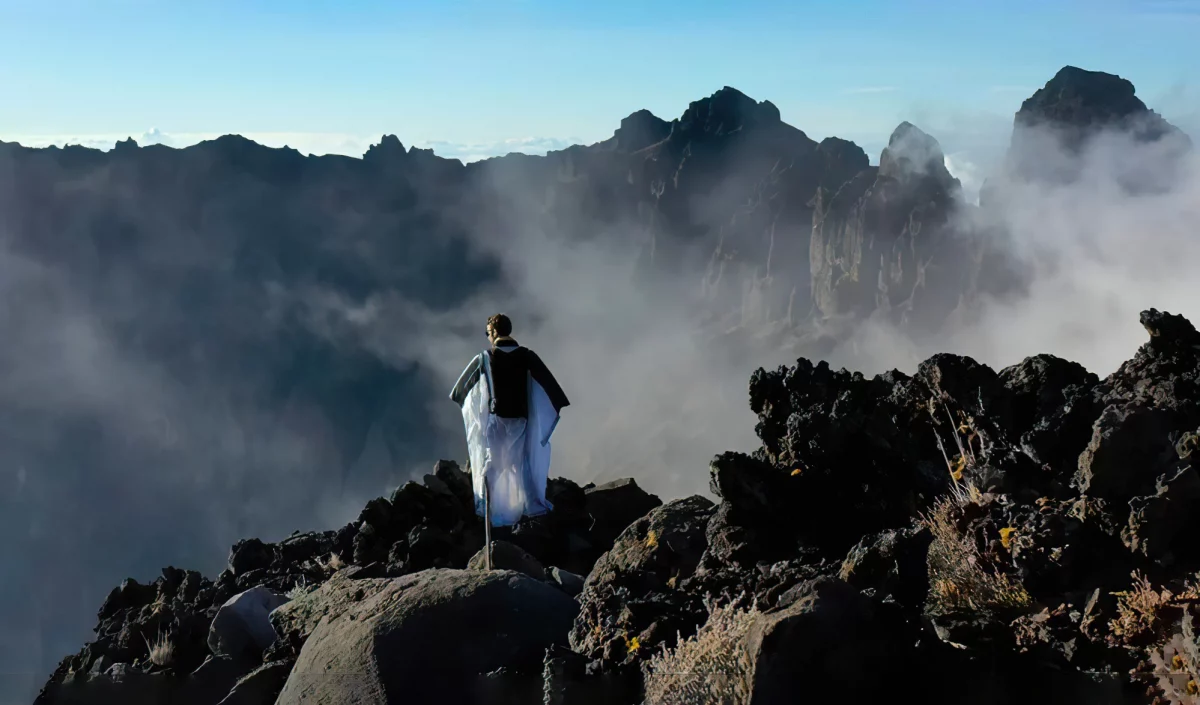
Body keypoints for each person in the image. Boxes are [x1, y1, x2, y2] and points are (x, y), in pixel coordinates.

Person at [449, 314, 570, 534]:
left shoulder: (485, 357)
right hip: (521, 419)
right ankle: (531, 508)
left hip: (497, 419)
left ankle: (487, 507)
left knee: (493, 463)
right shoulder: (527, 356)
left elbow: (460, 389)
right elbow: (551, 388)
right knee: (522, 463)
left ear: (493, 332)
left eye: (488, 332)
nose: (488, 336)